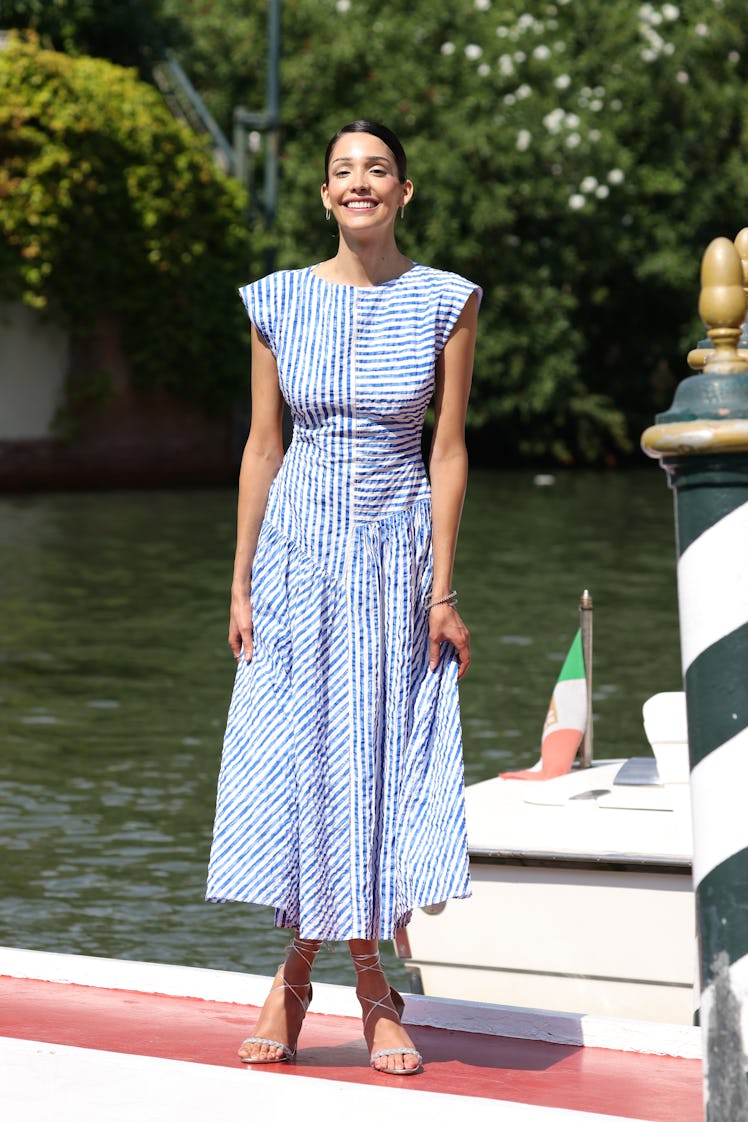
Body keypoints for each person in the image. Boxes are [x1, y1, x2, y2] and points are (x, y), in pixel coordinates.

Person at [206, 120, 481, 1076]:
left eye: (377, 170)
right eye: (341, 172)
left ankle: (370, 981)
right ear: (325, 196)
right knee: (297, 756)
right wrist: (239, 579)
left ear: (405, 191)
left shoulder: (449, 302)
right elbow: (261, 448)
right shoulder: (277, 300)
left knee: (370, 762)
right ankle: (292, 972)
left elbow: (446, 453)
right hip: (295, 554)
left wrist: (443, 589)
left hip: (393, 559)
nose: (359, 183)